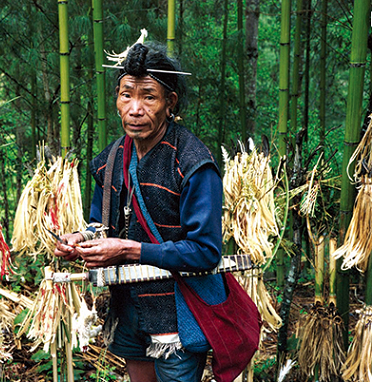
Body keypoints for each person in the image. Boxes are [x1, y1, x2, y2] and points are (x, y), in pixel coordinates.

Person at [55, 41, 226, 382]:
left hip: (175, 315)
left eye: (148, 96)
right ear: (116, 100)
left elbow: (206, 252)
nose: (135, 108)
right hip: (129, 308)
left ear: (169, 103)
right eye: (126, 95)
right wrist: (80, 240)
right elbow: (100, 224)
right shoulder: (111, 160)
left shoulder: (192, 163)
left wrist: (129, 250)